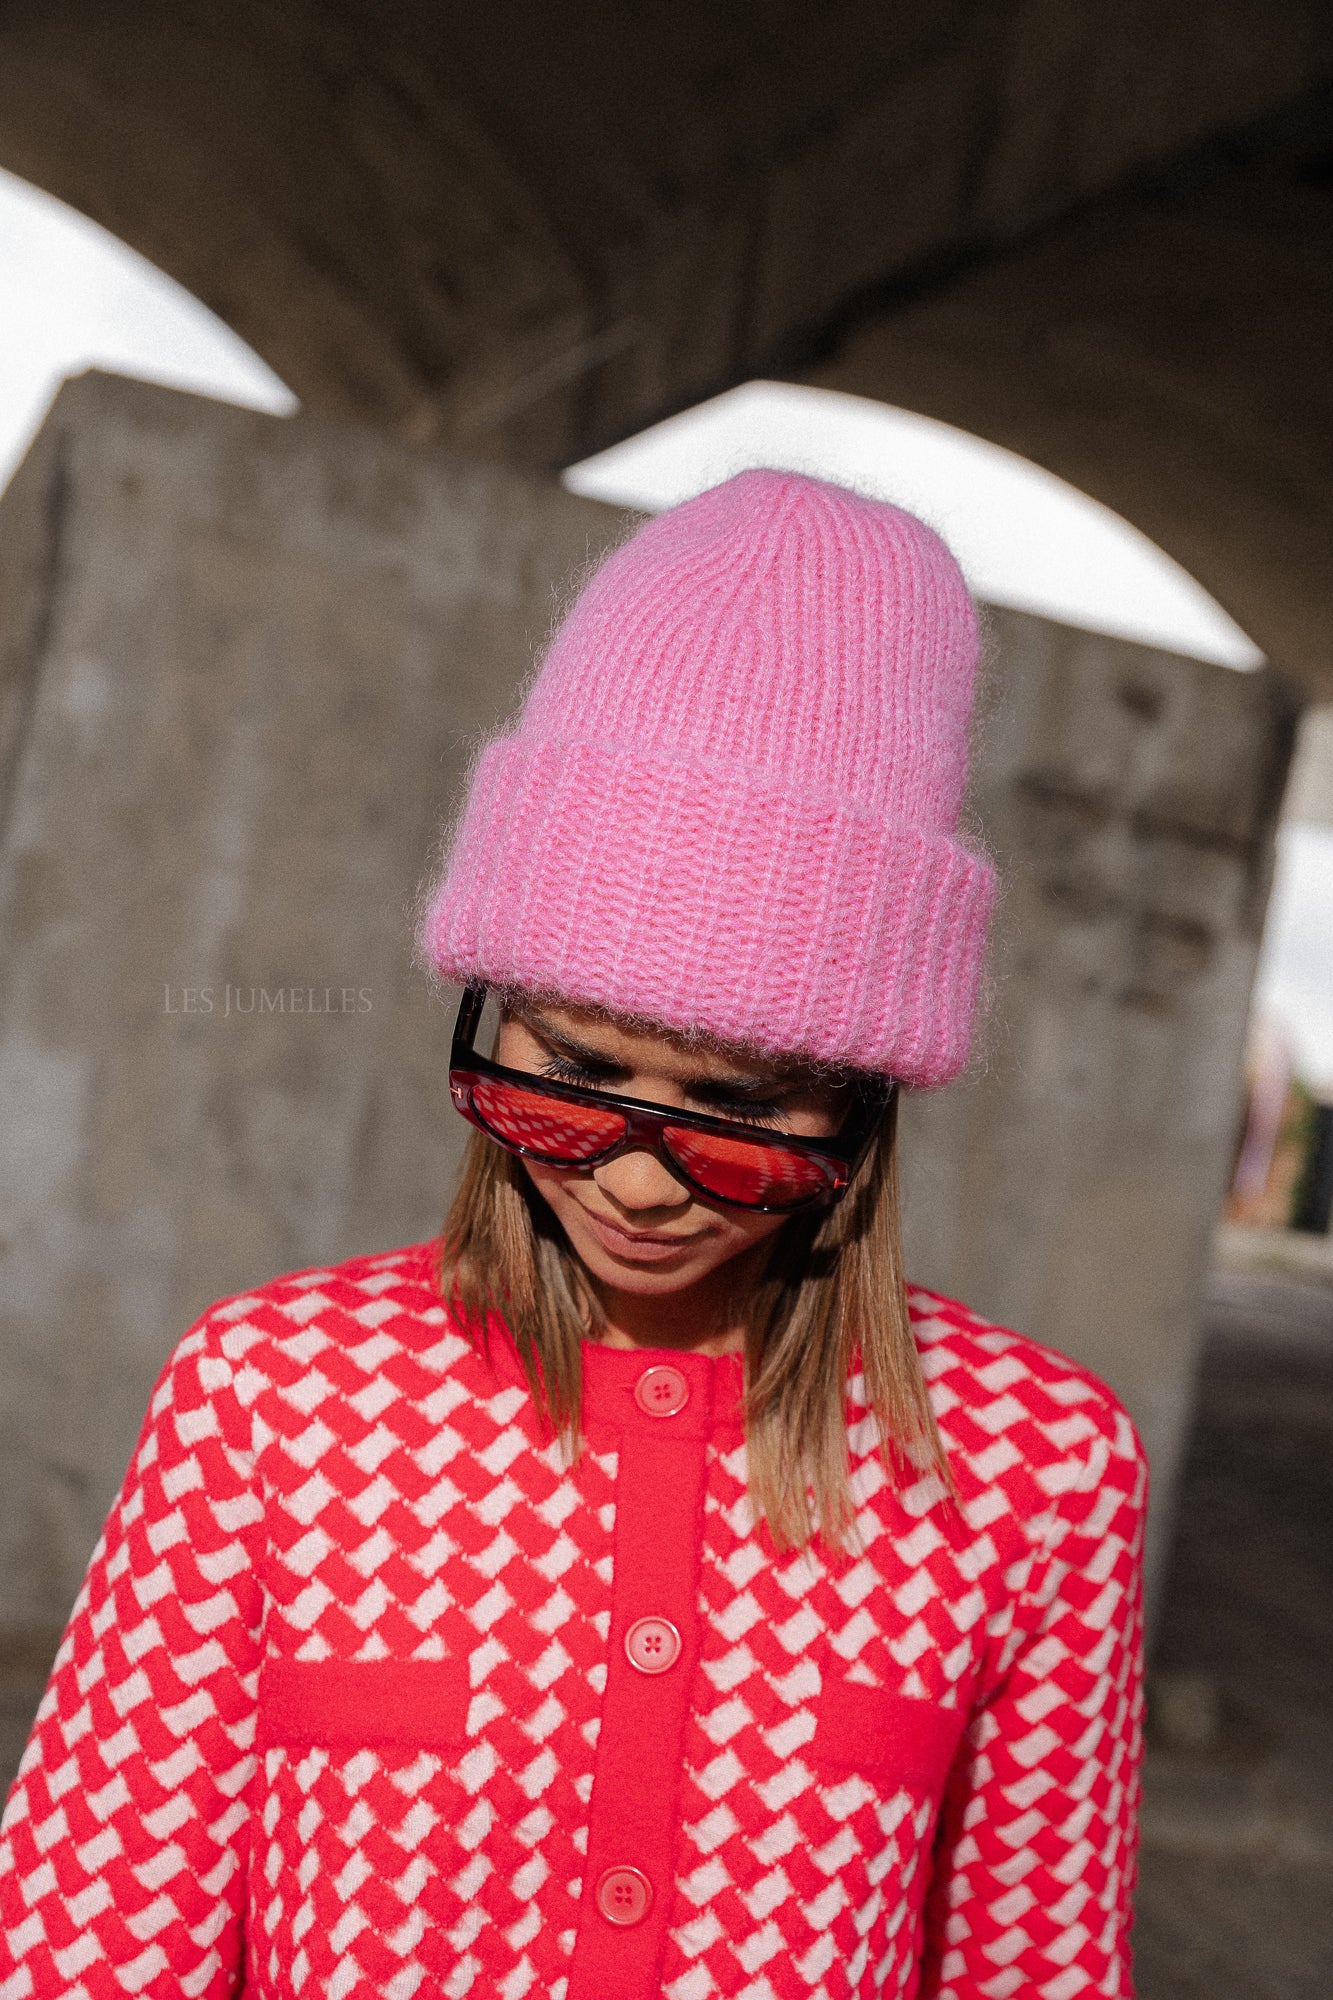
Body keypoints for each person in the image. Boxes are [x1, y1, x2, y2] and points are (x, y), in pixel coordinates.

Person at [0, 470, 1145, 2000]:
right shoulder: (274, 1401)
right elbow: (81, 1949)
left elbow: (1037, 1976)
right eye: (574, 1075)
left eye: (735, 1105)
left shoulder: (1037, 1470)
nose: (641, 1180)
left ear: (863, 1100)